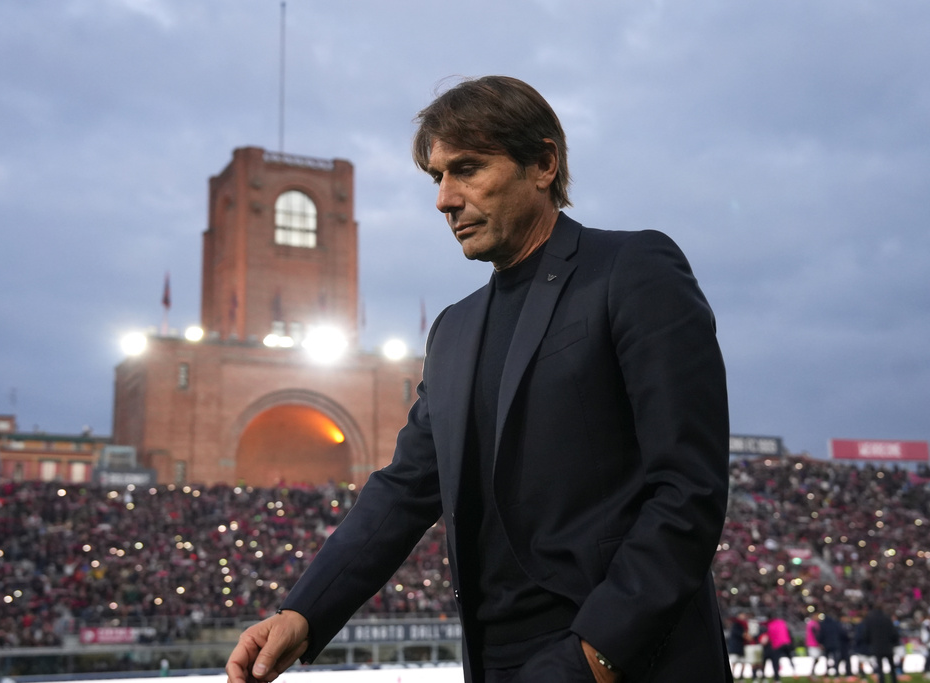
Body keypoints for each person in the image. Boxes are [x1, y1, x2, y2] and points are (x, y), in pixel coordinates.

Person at [226, 75, 731, 683]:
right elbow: (406, 487)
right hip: (496, 662)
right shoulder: (453, 330)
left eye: (467, 169)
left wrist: (597, 655)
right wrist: (302, 611)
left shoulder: (633, 269)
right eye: (437, 177)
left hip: (620, 659)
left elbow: (688, 488)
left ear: (543, 164)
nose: (445, 198)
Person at [857, 605, 899, 683]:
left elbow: (866, 634)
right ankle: (894, 680)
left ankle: (882, 681)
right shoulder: (887, 618)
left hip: (877, 646)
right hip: (888, 646)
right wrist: (894, 643)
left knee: (880, 667)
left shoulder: (870, 619)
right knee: (892, 666)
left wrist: (870, 643)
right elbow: (894, 632)